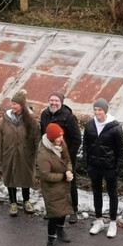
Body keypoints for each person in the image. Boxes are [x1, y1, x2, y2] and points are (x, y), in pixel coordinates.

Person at [0, 89, 39, 216]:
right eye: (12, 103)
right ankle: (13, 202)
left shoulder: (31, 121)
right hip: (9, 153)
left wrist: (37, 154)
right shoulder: (6, 119)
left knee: (25, 178)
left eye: (15, 104)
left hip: (26, 155)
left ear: (22, 106)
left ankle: (26, 201)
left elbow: (36, 138)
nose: (12, 106)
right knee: (10, 177)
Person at [83, 98, 123, 238]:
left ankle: (113, 222)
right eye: (95, 109)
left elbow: (121, 150)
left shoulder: (115, 127)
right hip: (94, 167)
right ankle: (99, 220)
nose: (97, 112)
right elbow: (86, 147)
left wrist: (117, 169)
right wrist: (87, 164)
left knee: (112, 194)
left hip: (109, 168)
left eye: (100, 110)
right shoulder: (90, 125)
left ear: (105, 111)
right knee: (96, 193)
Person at [40, 92, 82, 223]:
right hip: (50, 155)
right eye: (51, 100)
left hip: (65, 157)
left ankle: (73, 210)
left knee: (70, 182)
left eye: (56, 101)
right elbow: (43, 134)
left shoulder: (69, 117)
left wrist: (68, 154)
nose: (53, 103)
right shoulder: (44, 114)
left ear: (61, 102)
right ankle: (52, 211)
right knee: (52, 184)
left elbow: (77, 138)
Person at [37, 123, 74, 246]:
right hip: (52, 188)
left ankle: (60, 229)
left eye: (61, 135)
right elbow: (45, 175)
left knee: (63, 209)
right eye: (58, 137)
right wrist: (63, 176)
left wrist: (69, 171)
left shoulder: (61, 145)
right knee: (54, 214)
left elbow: (68, 160)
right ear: (52, 138)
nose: (61, 139)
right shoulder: (43, 154)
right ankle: (51, 242)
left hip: (63, 185)